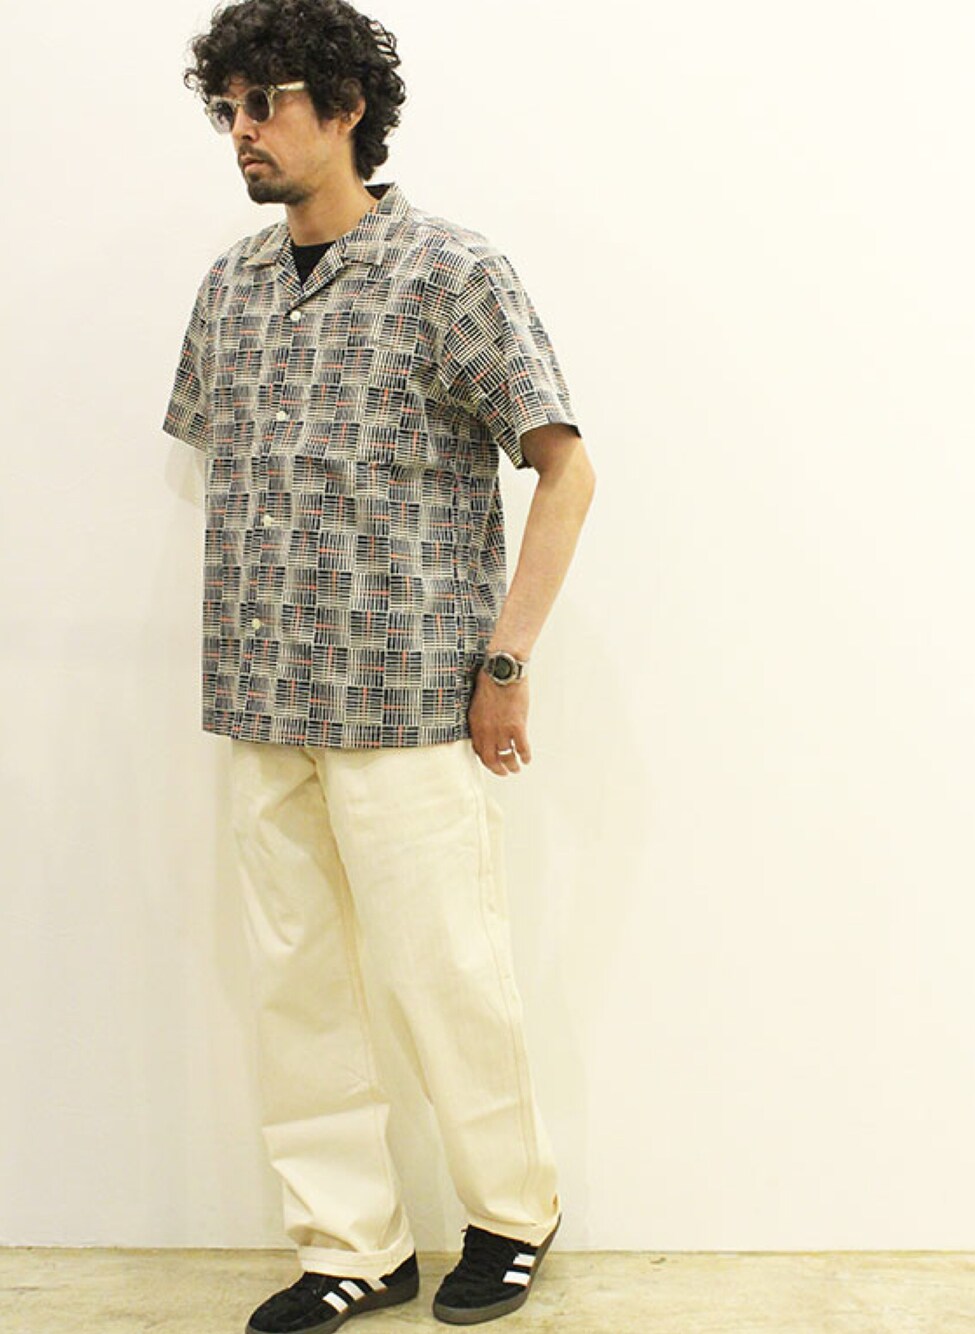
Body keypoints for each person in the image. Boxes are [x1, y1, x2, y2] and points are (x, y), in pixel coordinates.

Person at [162, 1, 595, 1329]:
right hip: (261, 693)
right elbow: (222, 461)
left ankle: (512, 1213)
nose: (243, 130)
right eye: (228, 107)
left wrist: (506, 659)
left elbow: (565, 469)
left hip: (405, 699)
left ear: (347, 107)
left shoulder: (450, 273)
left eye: (268, 102)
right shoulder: (231, 285)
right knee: (295, 983)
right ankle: (350, 1242)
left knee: (444, 970)